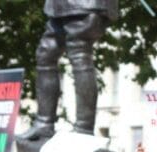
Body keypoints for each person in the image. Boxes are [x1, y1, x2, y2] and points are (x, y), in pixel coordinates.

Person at [18, 0, 118, 140]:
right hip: (59, 7)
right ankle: (44, 124)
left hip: (85, 6)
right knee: (45, 54)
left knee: (79, 54)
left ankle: (84, 129)